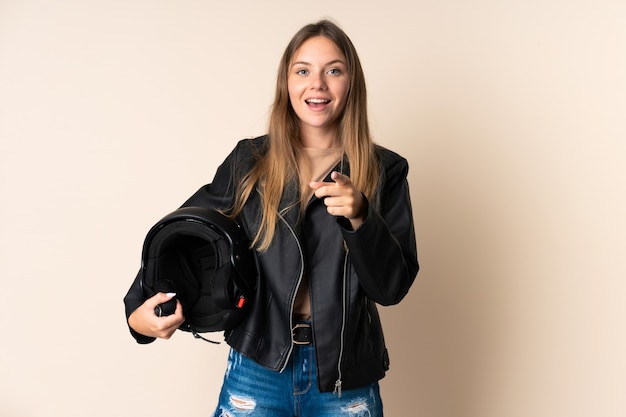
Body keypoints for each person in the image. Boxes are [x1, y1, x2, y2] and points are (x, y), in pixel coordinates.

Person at [124, 19, 419, 417]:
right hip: (257, 368)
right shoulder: (250, 162)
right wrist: (139, 309)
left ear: (352, 83)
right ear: (287, 84)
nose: (317, 84)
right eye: (303, 71)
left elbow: (391, 288)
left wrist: (361, 217)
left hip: (344, 375)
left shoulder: (386, 170)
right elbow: (186, 232)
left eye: (333, 70)